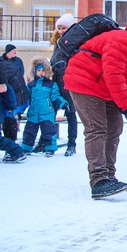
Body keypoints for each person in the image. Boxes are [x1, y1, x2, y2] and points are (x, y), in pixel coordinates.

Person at [64, 23, 127, 199]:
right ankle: (98, 180)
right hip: (84, 81)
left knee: (114, 127)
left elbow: (124, 82)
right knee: (97, 129)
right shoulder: (123, 40)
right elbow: (114, 76)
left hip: (103, 87)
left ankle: (109, 176)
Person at [21, 57, 69, 158]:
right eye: (38, 70)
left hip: (47, 112)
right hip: (33, 112)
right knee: (29, 132)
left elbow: (55, 96)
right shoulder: (31, 85)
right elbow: (25, 98)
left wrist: (63, 104)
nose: (41, 73)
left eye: (43, 70)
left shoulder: (51, 84)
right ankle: (26, 147)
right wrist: (19, 109)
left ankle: (50, 148)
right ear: (34, 71)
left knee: (49, 131)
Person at [50, 13, 78, 156]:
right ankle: (49, 142)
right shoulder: (57, 43)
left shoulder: (75, 42)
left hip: (68, 83)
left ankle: (71, 143)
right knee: (51, 113)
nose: (61, 30)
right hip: (56, 83)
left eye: (64, 28)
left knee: (71, 114)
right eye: (59, 28)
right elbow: (54, 60)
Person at [1, 44, 29, 141]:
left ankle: (16, 123)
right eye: (13, 51)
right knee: (9, 113)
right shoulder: (2, 61)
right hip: (7, 89)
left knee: (16, 109)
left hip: (18, 88)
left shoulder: (18, 61)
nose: (15, 53)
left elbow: (21, 72)